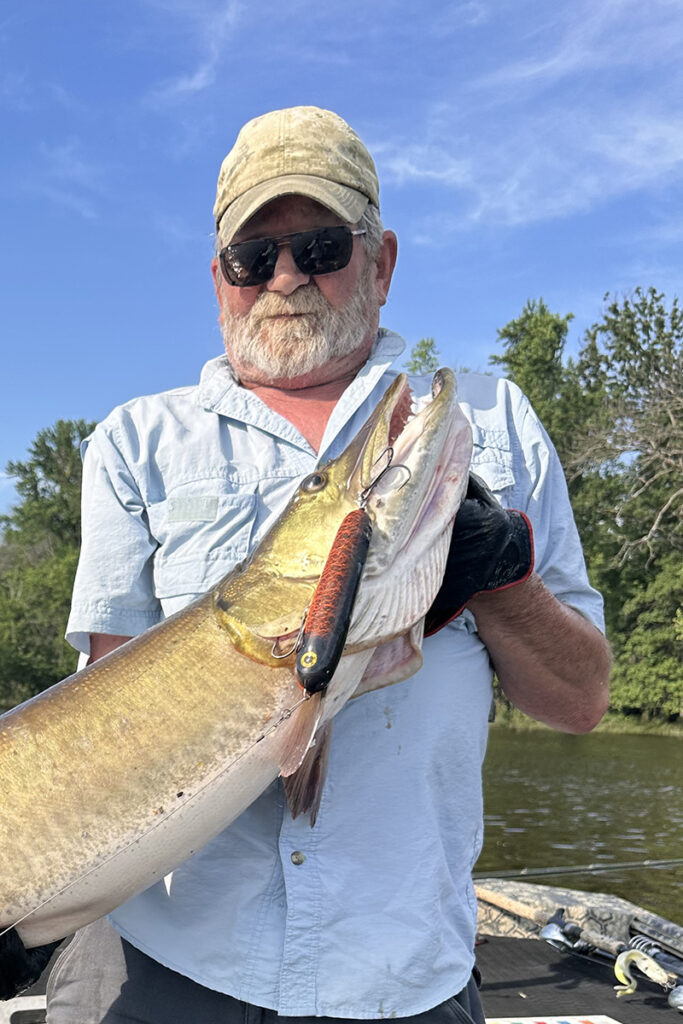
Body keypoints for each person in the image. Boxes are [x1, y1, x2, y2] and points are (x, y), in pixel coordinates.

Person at [47, 106, 611, 1024]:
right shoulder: (133, 442)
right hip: (168, 953)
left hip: (402, 967)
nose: (284, 279)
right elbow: (110, 715)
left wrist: (502, 580)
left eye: (317, 247)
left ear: (380, 262)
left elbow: (580, 702)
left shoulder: (489, 420)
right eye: (252, 257)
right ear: (219, 279)